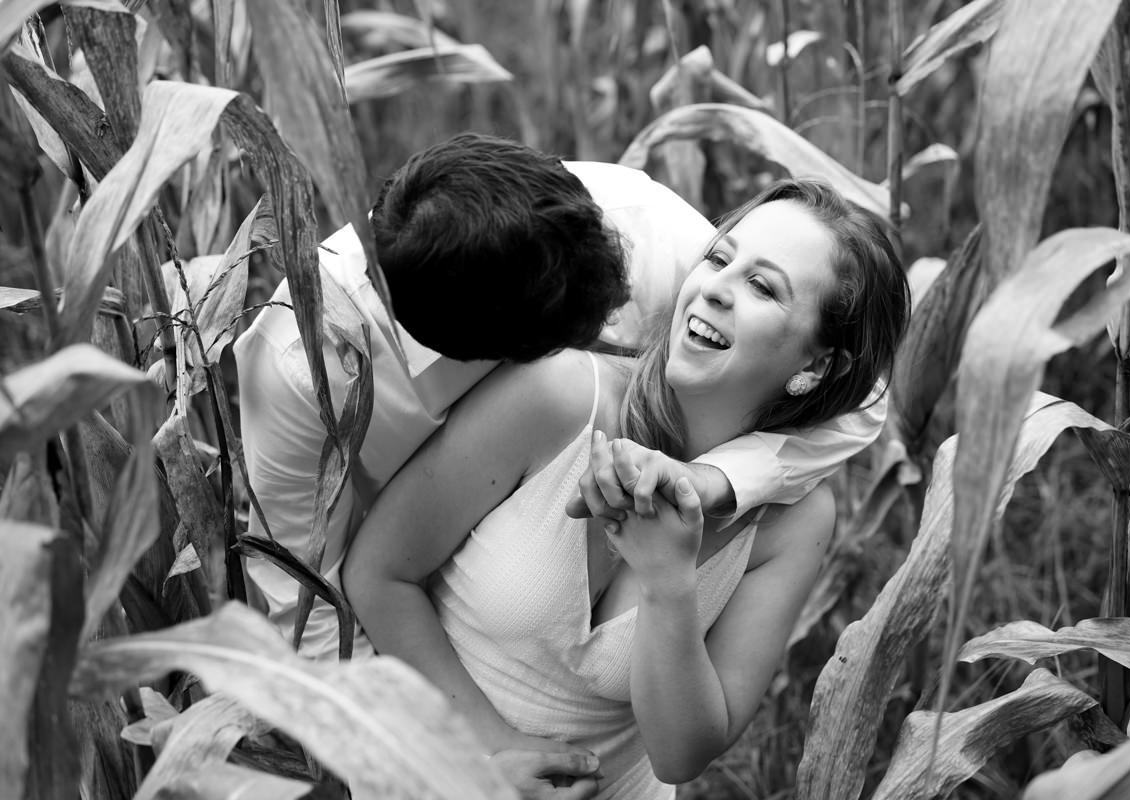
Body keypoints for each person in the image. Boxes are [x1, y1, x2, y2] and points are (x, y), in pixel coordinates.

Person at [341, 179, 911, 799]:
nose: (716, 288)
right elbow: (378, 573)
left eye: (763, 287)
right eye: (719, 258)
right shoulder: (557, 395)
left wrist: (670, 581)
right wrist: (489, 756)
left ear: (816, 366)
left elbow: (683, 754)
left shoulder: (794, 520)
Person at [234, 134, 887, 661]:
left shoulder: (641, 232)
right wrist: (440, 749)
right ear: (495, 353)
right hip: (407, 611)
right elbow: (307, 609)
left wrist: (716, 480)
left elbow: (861, 395)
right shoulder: (300, 372)